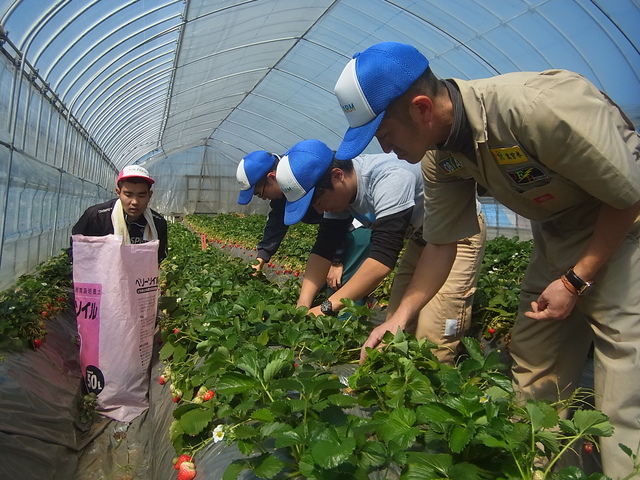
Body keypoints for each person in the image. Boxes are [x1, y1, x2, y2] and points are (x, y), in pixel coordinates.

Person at [332, 41, 640, 477]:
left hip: (626, 231)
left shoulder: (537, 109)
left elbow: (628, 196)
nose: (385, 151)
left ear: (421, 108)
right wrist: (398, 318)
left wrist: (575, 280)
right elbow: (442, 242)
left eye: (386, 136)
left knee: (623, 392)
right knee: (535, 366)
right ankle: (543, 470)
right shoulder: (440, 157)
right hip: (554, 235)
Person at [276, 139, 485, 365]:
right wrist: (304, 304)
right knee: (392, 329)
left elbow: (382, 259)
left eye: (317, 201)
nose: (319, 209)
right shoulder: (339, 195)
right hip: (421, 238)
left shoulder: (389, 178)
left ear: (338, 175)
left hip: (458, 232)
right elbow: (324, 248)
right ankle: (397, 389)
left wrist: (327, 307)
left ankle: (437, 385)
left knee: (434, 333)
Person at [236, 150, 370, 290]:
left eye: (260, 193)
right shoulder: (285, 185)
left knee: (341, 285)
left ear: (272, 177)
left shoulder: (300, 173)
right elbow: (277, 220)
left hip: (354, 227)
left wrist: (336, 261)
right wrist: (261, 258)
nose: (263, 198)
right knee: (321, 286)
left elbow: (335, 223)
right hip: (335, 229)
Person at [72, 165, 168, 263]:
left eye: (141, 195)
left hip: (139, 277)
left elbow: (159, 257)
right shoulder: (97, 216)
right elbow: (77, 250)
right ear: (118, 193)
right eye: (128, 195)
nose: (135, 202)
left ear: (150, 195)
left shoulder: (157, 222)